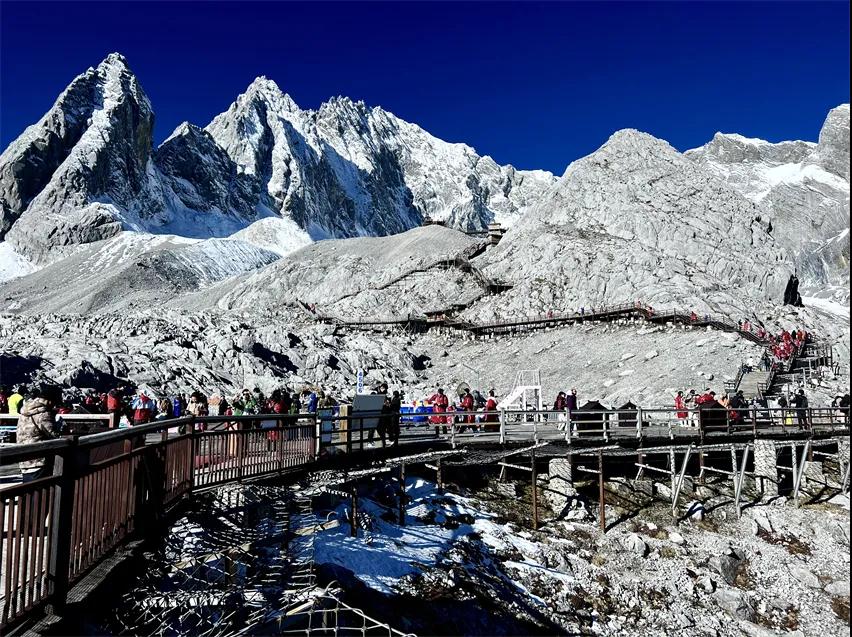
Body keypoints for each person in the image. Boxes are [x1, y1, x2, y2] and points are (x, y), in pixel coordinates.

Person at [17, 385, 62, 482]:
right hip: (39, 460)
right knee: (41, 493)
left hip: (25, 458)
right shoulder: (43, 414)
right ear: (50, 400)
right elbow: (54, 435)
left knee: (28, 492)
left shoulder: (26, 410)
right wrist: (58, 425)